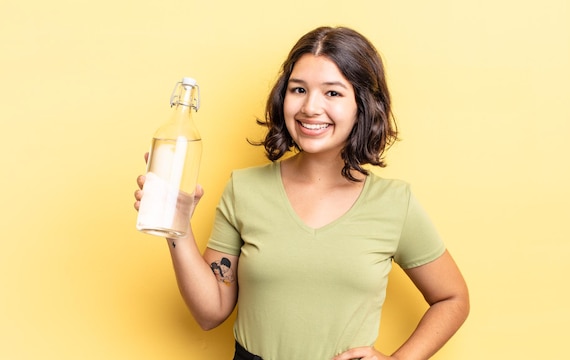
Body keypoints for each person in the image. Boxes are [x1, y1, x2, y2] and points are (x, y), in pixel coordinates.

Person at [134, 26, 469, 360]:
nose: (310, 107)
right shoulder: (244, 189)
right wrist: (176, 226)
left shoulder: (394, 203)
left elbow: (453, 298)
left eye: (333, 93)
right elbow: (211, 312)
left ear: (363, 105)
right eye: (299, 89)